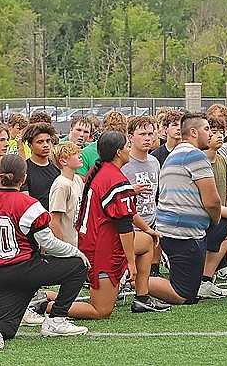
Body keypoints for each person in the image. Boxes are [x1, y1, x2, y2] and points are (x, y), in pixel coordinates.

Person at [0, 154, 90, 349]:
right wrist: (75, 251)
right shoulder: (28, 205)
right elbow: (49, 243)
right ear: (24, 178)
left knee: (7, 331)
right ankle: (56, 320)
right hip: (24, 268)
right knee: (78, 266)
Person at [71, 131, 167, 319]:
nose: (129, 150)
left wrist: (147, 229)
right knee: (101, 311)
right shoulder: (114, 178)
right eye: (127, 146)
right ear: (118, 152)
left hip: (94, 239)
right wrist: (130, 263)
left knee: (147, 241)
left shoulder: (102, 170)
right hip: (102, 247)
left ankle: (142, 297)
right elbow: (123, 226)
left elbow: (126, 213)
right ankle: (44, 305)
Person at [148, 113, 227, 306]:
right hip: (183, 234)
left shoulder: (174, 153)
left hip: (173, 230)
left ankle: (205, 280)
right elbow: (212, 202)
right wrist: (214, 220)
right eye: (207, 129)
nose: (210, 134)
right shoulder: (196, 156)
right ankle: (134, 281)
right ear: (193, 132)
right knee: (184, 295)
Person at [198, 115, 227, 299]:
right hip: (200, 218)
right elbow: (206, 204)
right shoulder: (198, 160)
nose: (218, 135)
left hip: (218, 218)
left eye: (221, 132)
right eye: (212, 131)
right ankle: (205, 277)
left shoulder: (223, 161)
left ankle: (208, 278)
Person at [121, 116, 162, 277]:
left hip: (150, 221)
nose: (147, 138)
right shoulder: (124, 163)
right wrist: (130, 190)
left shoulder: (154, 162)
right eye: (142, 134)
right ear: (130, 137)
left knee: (142, 277)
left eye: (150, 134)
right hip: (129, 226)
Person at [49, 141, 84, 247]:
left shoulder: (77, 179)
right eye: (74, 154)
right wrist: (62, 248)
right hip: (68, 245)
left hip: (79, 242)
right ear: (63, 161)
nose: (80, 156)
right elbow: (54, 222)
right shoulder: (61, 185)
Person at [19, 122, 60, 210]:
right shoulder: (24, 170)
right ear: (30, 146)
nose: (45, 145)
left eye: (48, 141)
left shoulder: (57, 168)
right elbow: (25, 202)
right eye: (40, 142)